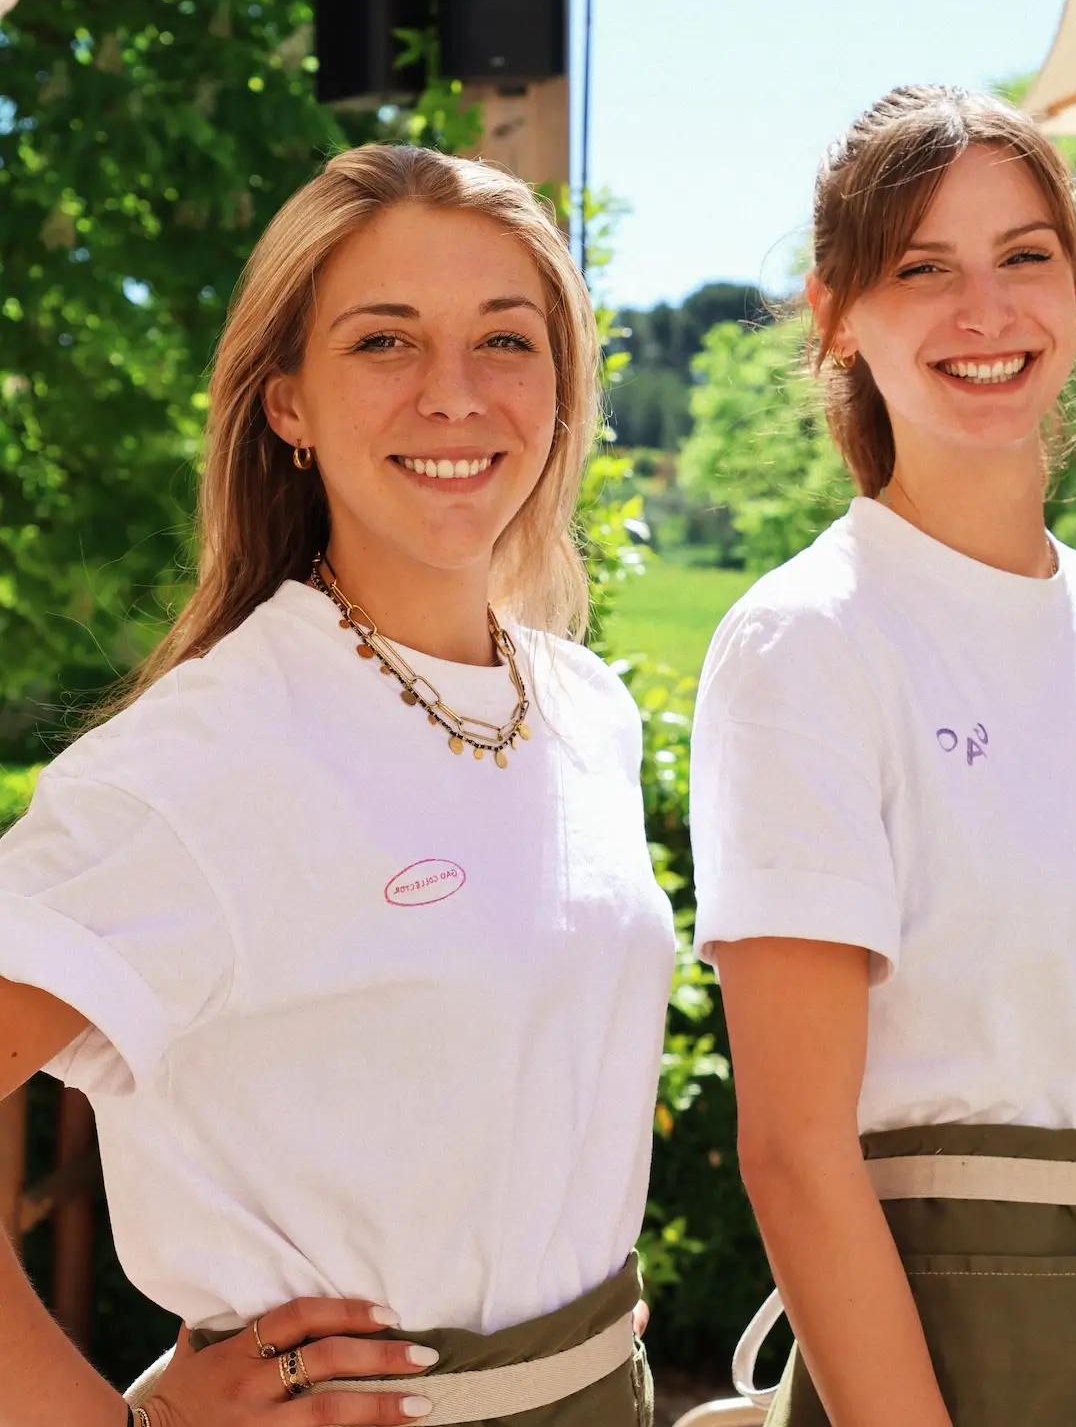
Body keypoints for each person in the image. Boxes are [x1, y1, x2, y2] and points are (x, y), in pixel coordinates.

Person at [0, 145, 674, 1427]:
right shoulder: (205, 759)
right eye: (384, 343)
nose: (454, 395)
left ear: (564, 386)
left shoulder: (588, 712)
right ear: (287, 403)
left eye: (507, 341)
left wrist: (560, 1294)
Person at [689, 85, 1076, 1426]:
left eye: (1025, 256)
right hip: (972, 1342)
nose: (987, 312)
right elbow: (796, 1154)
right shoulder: (805, 645)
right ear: (836, 318)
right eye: (924, 268)